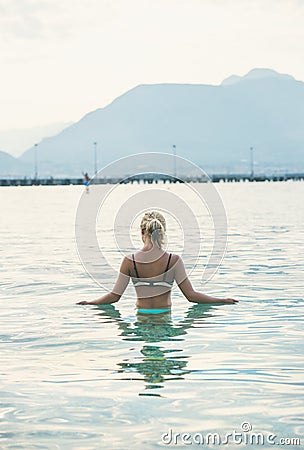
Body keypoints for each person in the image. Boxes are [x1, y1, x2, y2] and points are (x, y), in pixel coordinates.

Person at [77, 211, 238, 312]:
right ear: (163, 232)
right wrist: (222, 301)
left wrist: (89, 303)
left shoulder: (129, 261)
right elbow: (191, 296)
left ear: (142, 231)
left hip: (142, 321)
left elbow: (114, 297)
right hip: (165, 322)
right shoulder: (173, 260)